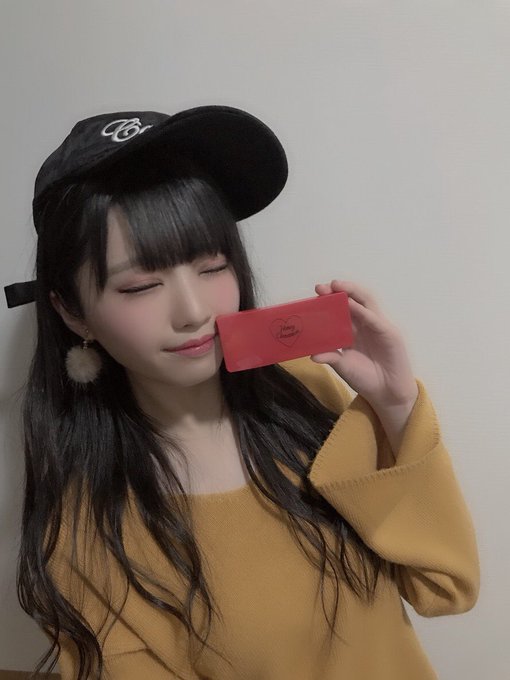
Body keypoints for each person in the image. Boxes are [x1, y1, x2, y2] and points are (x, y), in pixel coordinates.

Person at [4, 105, 480, 680]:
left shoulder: (307, 394)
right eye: (141, 285)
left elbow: (444, 588)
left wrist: (397, 408)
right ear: (72, 311)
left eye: (212, 266)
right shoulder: (88, 536)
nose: (193, 311)